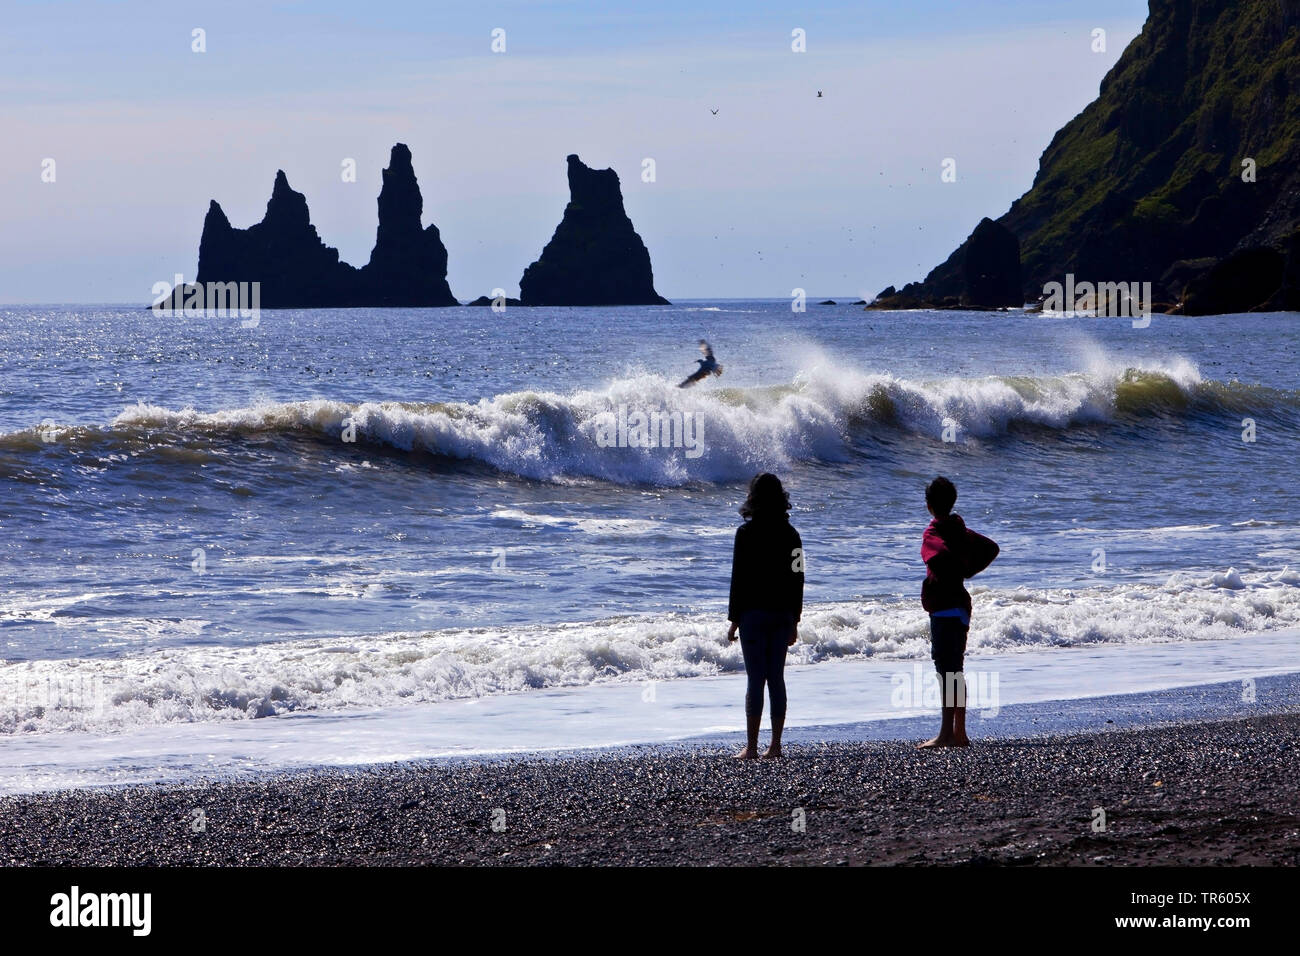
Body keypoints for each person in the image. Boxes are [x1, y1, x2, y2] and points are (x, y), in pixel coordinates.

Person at [726, 473, 804, 759]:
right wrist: (795, 619)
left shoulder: (744, 534)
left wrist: (734, 620)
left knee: (755, 679)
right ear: (781, 497)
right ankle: (776, 746)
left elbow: (739, 579)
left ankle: (752, 746)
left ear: (753, 498)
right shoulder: (792, 535)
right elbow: (799, 579)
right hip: (782, 614)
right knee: (777, 678)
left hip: (753, 615)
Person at [918, 476, 999, 749]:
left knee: (945, 671)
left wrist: (953, 569)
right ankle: (959, 732)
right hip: (961, 608)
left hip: (944, 609)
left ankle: (945, 734)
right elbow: (991, 548)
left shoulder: (934, 533)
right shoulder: (959, 529)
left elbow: (937, 553)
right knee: (956, 670)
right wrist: (966, 569)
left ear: (929, 506)